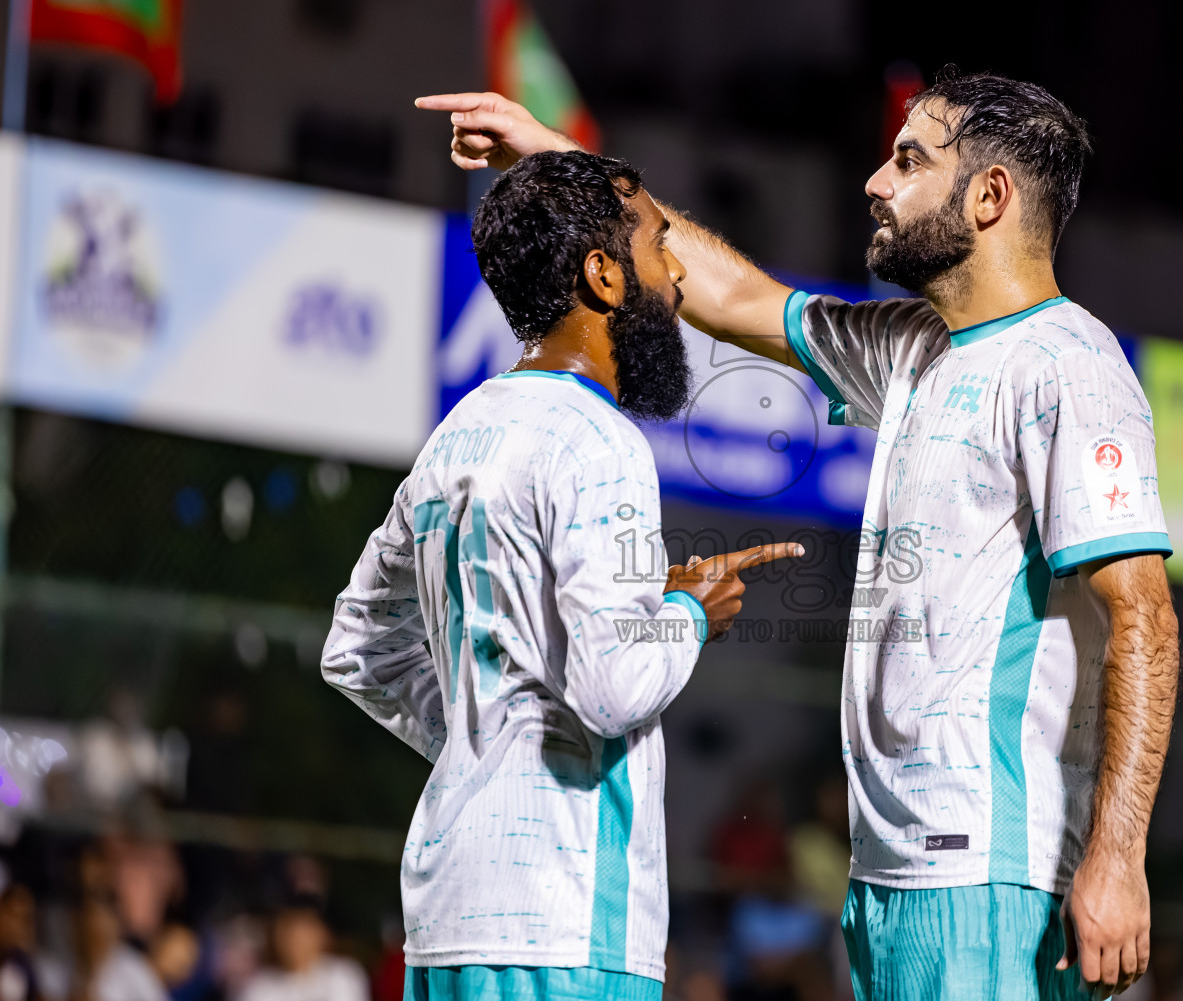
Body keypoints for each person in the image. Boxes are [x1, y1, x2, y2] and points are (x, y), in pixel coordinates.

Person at [420, 65, 1181, 1001]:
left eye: (910, 160)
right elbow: (731, 295)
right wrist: (563, 164)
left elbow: (1143, 612)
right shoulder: (911, 348)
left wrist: (1118, 856)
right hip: (890, 874)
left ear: (990, 196)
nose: (876, 182)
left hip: (990, 868)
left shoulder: (1071, 365)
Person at [323, 149, 803, 1001]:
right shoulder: (599, 440)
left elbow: (357, 649)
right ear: (604, 274)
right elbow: (615, 687)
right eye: (659, 245)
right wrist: (688, 612)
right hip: (563, 920)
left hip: (446, 920)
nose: (678, 274)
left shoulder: (460, 431)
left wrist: (488, 742)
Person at [234, 897, 367, 1001]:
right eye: (286, 932)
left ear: (322, 934)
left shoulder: (344, 975)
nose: (294, 941)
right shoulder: (258, 987)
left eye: (301, 932)